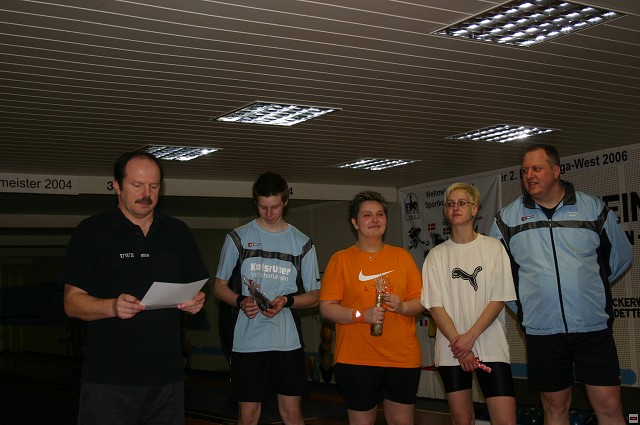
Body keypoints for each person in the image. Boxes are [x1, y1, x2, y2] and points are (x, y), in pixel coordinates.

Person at [60, 150, 209, 425]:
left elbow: (197, 289)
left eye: (154, 186)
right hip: (109, 380)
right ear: (117, 186)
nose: (146, 194)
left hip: (167, 380)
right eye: (137, 185)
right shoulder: (91, 232)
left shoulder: (178, 232)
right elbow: (72, 302)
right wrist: (111, 306)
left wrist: (196, 301)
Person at [490, 144, 633, 425]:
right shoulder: (506, 220)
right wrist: (527, 307)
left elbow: (620, 258)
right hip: (542, 331)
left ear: (556, 171)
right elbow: (500, 278)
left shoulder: (594, 209)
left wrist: (588, 289)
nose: (529, 175)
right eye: (524, 171)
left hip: (593, 328)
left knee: (610, 405)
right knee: (555, 407)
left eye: (537, 168)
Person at [213, 172, 320, 425]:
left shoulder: (302, 243)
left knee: (292, 413)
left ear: (286, 202)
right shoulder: (237, 238)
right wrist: (240, 301)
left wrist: (288, 301)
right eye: (263, 207)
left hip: (287, 342)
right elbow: (218, 287)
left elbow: (316, 296)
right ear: (255, 203)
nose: (269, 213)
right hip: (248, 342)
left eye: (275, 207)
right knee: (248, 415)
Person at [319, 191, 424, 425]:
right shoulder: (340, 259)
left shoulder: (403, 257)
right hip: (356, 359)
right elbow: (327, 308)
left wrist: (402, 306)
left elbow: (420, 302)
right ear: (355, 222)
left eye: (380, 214)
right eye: (367, 215)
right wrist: (361, 315)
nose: (375, 220)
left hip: (401, 358)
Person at [421, 182, 517, 425]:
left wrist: (470, 337)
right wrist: (460, 345)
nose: (455, 207)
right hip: (451, 350)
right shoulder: (435, 256)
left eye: (462, 203)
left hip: (490, 346)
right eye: (450, 204)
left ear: (474, 209)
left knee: (505, 420)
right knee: (463, 420)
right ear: (445, 211)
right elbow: (435, 307)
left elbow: (499, 298)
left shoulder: (494, 248)